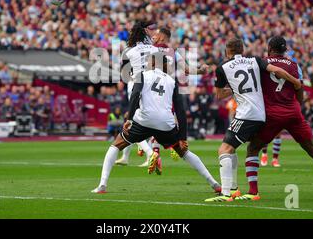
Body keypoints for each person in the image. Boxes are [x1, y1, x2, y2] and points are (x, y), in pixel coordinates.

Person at [232, 36, 313, 201]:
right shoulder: (295, 66)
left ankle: (253, 192)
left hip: (272, 114)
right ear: (285, 50)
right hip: (293, 112)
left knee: (253, 149)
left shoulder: (261, 63)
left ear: (269, 48)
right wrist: (294, 108)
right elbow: (300, 93)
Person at [92, 52, 220, 193]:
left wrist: (129, 119)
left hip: (144, 121)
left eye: (148, 61)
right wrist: (183, 137)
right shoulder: (172, 81)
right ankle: (214, 184)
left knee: (116, 145)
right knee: (184, 153)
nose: (146, 64)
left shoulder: (142, 75)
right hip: (165, 124)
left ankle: (102, 185)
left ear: (153, 63)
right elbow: (180, 110)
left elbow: (135, 95)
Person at [205, 37, 301, 202]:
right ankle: (234, 190)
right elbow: (277, 71)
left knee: (224, 150)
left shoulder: (222, 67)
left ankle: (226, 193)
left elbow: (219, 95)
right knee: (232, 149)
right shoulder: (255, 60)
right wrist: (295, 82)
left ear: (227, 51)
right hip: (261, 114)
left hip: (245, 114)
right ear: (242, 50)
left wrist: (233, 89)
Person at [114, 20, 159, 167]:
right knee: (141, 118)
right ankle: (126, 156)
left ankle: (150, 153)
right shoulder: (153, 48)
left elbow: (125, 72)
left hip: (136, 83)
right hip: (152, 83)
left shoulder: (128, 50)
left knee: (134, 121)